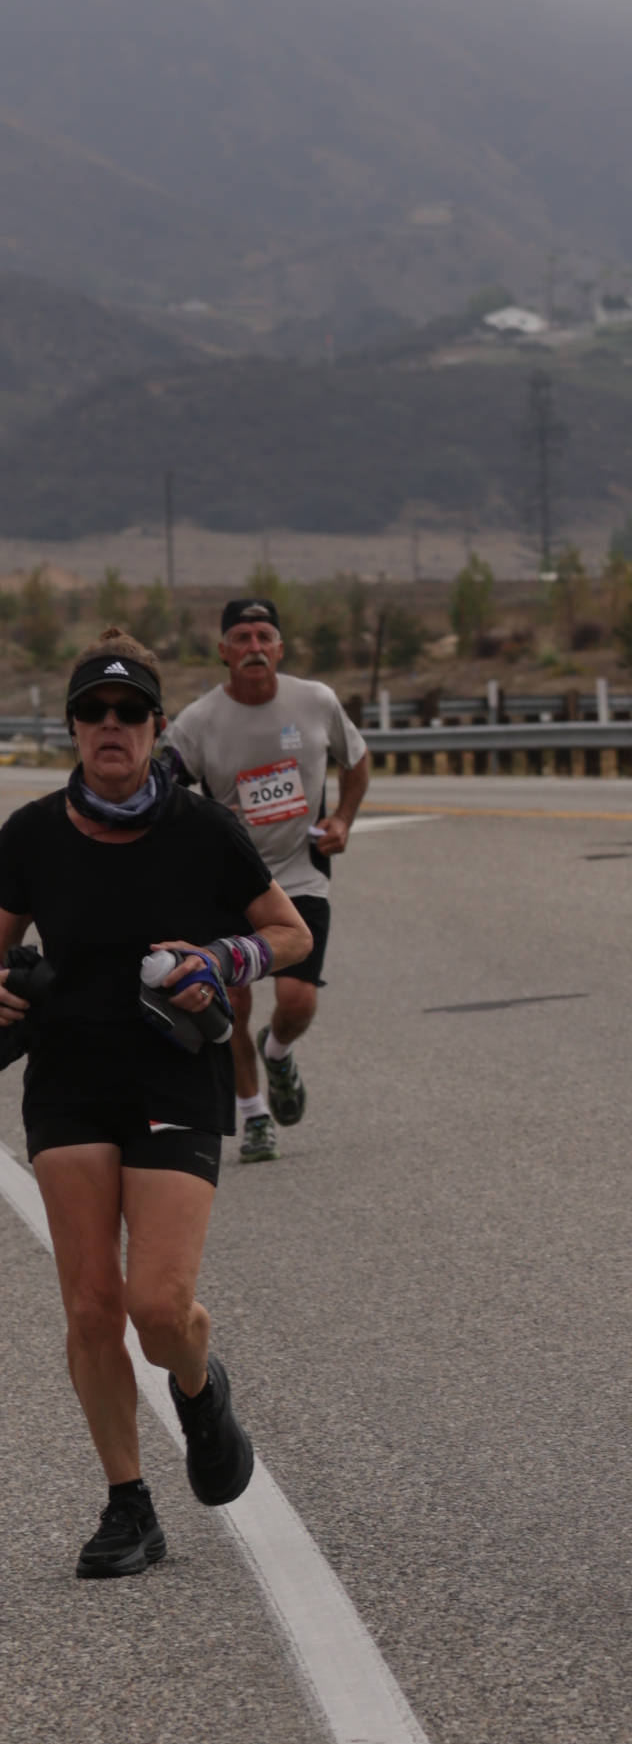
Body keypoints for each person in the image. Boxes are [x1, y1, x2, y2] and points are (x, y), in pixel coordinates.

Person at [0, 634, 312, 1577]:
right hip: (68, 1078)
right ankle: (128, 1503)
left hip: (175, 1073)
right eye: (93, 712)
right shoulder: (31, 834)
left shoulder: (202, 829)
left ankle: (198, 1381)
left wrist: (221, 958)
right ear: (72, 728)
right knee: (94, 1306)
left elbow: (289, 932)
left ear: (156, 727)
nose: (111, 727)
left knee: (158, 1307)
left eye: (129, 713)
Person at [165, 593, 370, 1161]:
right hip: (230, 883)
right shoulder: (197, 722)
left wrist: (342, 819)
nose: (253, 647)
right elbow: (162, 792)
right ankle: (255, 1115)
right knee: (231, 1002)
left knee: (297, 1000)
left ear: (279, 649)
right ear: (223, 650)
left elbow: (356, 759)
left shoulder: (316, 701)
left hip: (301, 875)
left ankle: (277, 1052)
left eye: (264, 638)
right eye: (242, 638)